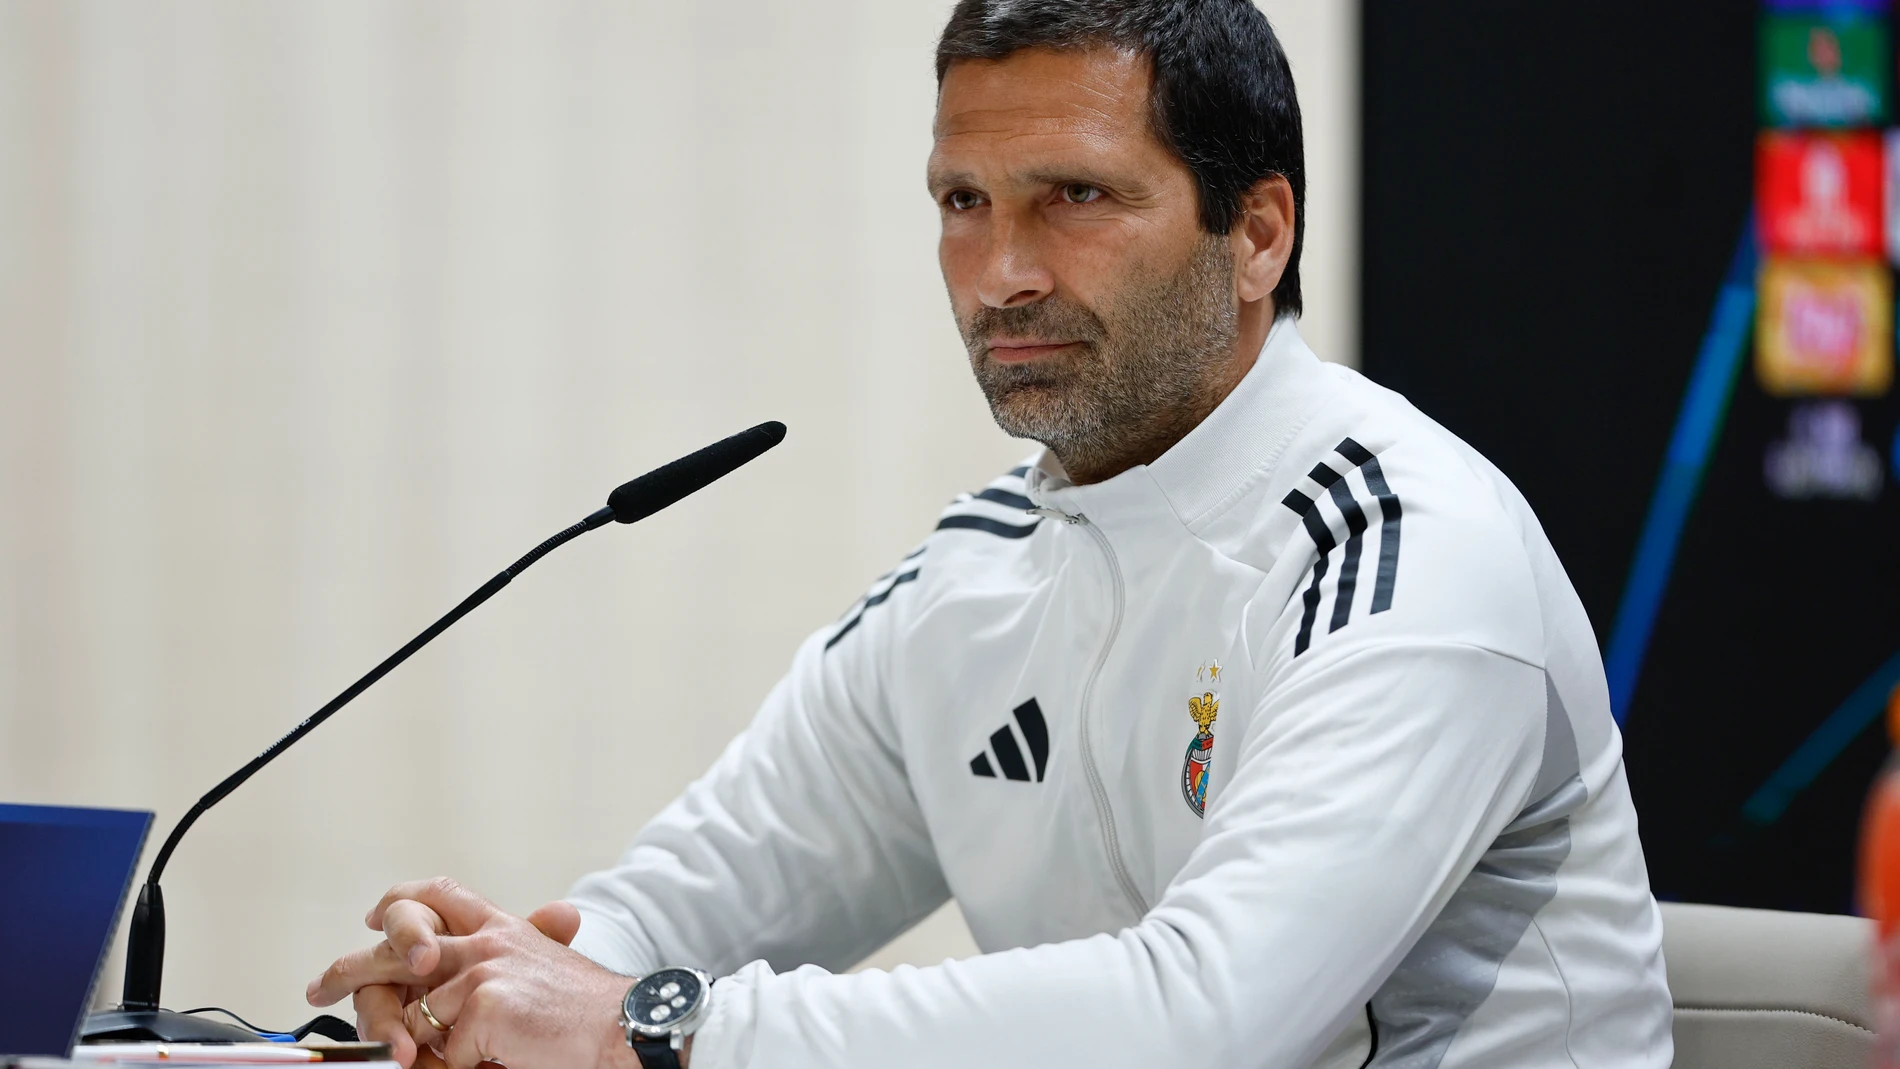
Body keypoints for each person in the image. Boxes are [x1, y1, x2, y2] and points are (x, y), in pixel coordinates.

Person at [306, 2, 1674, 1067]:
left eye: (1073, 196)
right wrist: (491, 983)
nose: (1002, 272)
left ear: (1256, 236)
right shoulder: (976, 574)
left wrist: (637, 1023)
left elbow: (1204, 1026)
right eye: (964, 202)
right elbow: (695, 896)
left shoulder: (1412, 552)